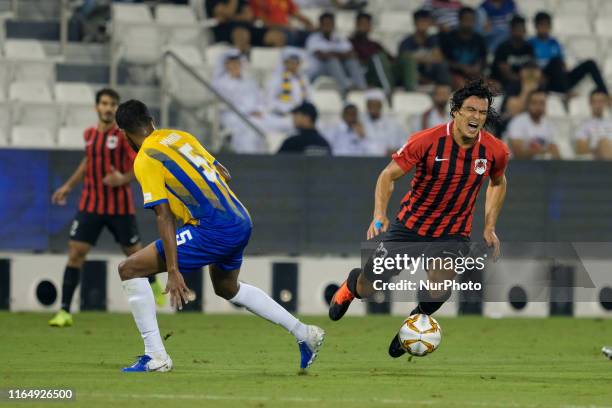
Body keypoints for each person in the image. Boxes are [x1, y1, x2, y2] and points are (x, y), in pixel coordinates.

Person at [115, 100, 325, 372]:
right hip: (239, 218)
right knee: (226, 287)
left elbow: (163, 216)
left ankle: (156, 356)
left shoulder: (146, 158)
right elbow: (224, 174)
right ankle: (304, 333)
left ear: (124, 133)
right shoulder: (180, 136)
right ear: (151, 119)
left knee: (129, 268)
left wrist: (173, 269)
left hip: (214, 227)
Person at [327, 79, 509, 358]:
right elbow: (388, 175)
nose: (476, 117)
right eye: (470, 110)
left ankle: (413, 327)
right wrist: (379, 214)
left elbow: (498, 182)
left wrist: (489, 226)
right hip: (411, 227)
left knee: (440, 286)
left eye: (482, 112)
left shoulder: (495, 150)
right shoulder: (426, 141)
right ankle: (353, 285)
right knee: (370, 285)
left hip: (453, 232)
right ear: (456, 111)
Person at [48, 89, 164, 327]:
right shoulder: (89, 134)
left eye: (112, 104)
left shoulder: (124, 136)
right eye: (104, 103)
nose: (108, 107)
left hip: (119, 208)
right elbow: (88, 161)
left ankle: (154, 287)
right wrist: (69, 186)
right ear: (97, 107)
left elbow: (141, 163)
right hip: (90, 205)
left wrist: (122, 178)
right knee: (76, 253)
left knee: (135, 254)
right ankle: (64, 311)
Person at [216, 50, 292, 153]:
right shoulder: (220, 83)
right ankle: (249, 156)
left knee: (283, 123)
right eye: (232, 63)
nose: (235, 66)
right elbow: (224, 105)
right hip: (233, 116)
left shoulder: (249, 81)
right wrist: (248, 112)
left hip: (256, 114)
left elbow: (261, 99)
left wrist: (260, 110)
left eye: (237, 63)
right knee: (251, 128)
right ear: (226, 65)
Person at [529, 12, 608, 96]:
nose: (544, 28)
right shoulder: (530, 44)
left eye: (547, 25)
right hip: (543, 81)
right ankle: (567, 93)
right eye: (542, 25)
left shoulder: (554, 43)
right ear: (536, 26)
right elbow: (529, 65)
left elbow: (563, 64)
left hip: (559, 80)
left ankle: (605, 93)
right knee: (555, 62)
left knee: (590, 63)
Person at [305, 12, 366, 97]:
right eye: (324, 24)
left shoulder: (339, 38)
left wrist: (332, 54)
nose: (327, 26)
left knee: (351, 61)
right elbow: (322, 56)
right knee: (331, 61)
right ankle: (345, 89)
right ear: (320, 25)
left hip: (339, 68)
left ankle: (362, 88)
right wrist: (339, 55)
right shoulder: (313, 38)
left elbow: (352, 54)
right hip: (319, 70)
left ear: (333, 25)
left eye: (329, 24)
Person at [350, 12, 413, 92]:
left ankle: (411, 89)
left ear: (370, 26)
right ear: (356, 25)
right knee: (377, 58)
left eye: (366, 24)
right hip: (367, 75)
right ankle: (388, 90)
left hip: (386, 74)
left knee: (406, 57)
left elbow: (391, 59)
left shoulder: (375, 44)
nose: (364, 27)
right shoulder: (349, 43)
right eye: (362, 24)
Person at [398, 9, 450, 87]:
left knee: (443, 66)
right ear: (415, 23)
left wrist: (419, 59)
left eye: (426, 21)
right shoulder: (406, 42)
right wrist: (428, 59)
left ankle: (442, 89)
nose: (424, 24)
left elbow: (438, 58)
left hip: (428, 72)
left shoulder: (433, 39)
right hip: (413, 75)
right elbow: (406, 61)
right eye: (422, 21)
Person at [439, 7, 488, 88]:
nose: (469, 23)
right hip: (454, 75)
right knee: (463, 86)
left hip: (475, 75)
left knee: (492, 87)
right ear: (459, 20)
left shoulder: (479, 39)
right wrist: (462, 67)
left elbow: (483, 59)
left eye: (471, 20)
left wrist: (477, 67)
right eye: (466, 19)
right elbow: (444, 60)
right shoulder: (448, 38)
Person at [506, 89, 561, 160]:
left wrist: (537, 151)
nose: (538, 107)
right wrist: (544, 151)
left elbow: (555, 151)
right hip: (519, 166)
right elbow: (518, 153)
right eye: (534, 103)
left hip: (543, 166)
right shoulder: (517, 122)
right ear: (528, 104)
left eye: (542, 103)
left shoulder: (549, 124)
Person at [206, 0, 285, 47]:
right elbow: (228, 12)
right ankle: (240, 66)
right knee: (242, 34)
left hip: (247, 26)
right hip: (225, 29)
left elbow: (249, 16)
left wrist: (230, 17)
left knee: (277, 36)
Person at [490, 15, 535, 92]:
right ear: (512, 30)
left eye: (523, 28)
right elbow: (506, 74)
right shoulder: (503, 47)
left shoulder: (528, 47)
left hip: (522, 82)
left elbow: (531, 69)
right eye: (518, 28)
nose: (521, 31)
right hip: (503, 82)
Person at [266, 47, 312, 116]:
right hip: (281, 113)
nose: (294, 65)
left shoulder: (303, 79)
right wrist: (282, 109)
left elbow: (309, 97)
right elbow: (269, 99)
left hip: (300, 114)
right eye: (291, 62)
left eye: (297, 62)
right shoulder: (277, 79)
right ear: (285, 63)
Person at [248, 0, 314, 46]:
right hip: (271, 30)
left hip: (288, 30)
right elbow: (264, 22)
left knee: (311, 36)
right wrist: (284, 26)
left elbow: (296, 14)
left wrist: (310, 24)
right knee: (280, 37)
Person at [362, 89, 406, 155]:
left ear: (381, 105)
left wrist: (396, 151)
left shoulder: (394, 124)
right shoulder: (361, 123)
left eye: (376, 105)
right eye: (370, 105)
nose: (373, 108)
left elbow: (404, 144)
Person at [574, 89, 612, 159]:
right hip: (596, 157)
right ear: (590, 103)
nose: (598, 105)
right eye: (595, 102)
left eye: (601, 102)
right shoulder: (583, 125)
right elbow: (581, 149)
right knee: (604, 142)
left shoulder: (610, 122)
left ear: (606, 103)